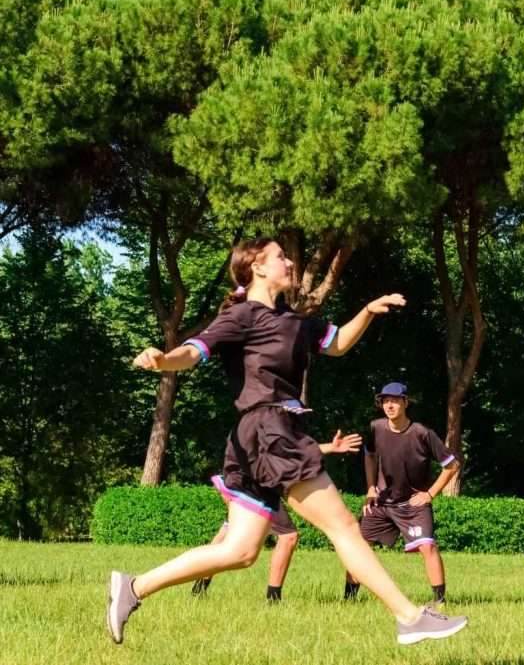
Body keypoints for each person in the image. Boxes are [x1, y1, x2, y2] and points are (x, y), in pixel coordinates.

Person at [107, 237, 467, 645]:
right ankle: (409, 616)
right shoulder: (242, 315)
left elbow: (338, 344)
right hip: (267, 429)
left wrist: (367, 310)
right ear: (257, 267)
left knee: (240, 552)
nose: (291, 262)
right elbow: (194, 352)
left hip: (268, 434)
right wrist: (163, 359)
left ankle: (132, 588)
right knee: (345, 527)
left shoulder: (296, 321)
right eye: (281, 256)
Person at [191, 429, 363, 602]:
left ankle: (199, 588)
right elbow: (292, 454)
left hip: (240, 482)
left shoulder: (267, 417)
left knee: (228, 533)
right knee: (288, 536)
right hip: (252, 486)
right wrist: (330, 447)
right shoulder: (273, 418)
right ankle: (273, 598)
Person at [343, 382, 460, 607]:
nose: (390, 405)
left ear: (406, 402)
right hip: (382, 503)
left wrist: (430, 494)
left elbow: (452, 465)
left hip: (412, 504)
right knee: (359, 547)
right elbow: (369, 455)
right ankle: (348, 600)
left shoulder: (422, 433)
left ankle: (441, 602)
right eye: (385, 401)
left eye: (395, 400)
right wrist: (370, 488)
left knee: (428, 547)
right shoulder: (375, 428)